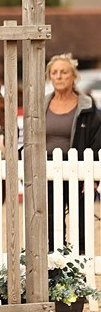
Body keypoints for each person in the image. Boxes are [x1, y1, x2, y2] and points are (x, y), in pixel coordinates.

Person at [44, 53, 101, 255]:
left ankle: (80, 267)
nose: (59, 76)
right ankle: (52, 266)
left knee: (80, 220)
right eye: (54, 72)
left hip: (77, 170)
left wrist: (91, 177)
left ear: (74, 76)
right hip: (47, 171)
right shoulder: (42, 105)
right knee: (49, 220)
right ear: (49, 76)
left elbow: (96, 140)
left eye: (64, 72)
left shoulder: (86, 106)